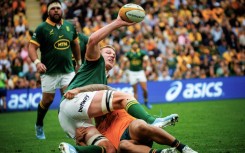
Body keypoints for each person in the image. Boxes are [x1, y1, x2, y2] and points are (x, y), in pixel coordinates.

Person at [58, 14, 178, 153]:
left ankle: (74, 150)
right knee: (122, 97)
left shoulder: (103, 77)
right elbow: (92, 40)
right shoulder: (95, 62)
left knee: (109, 149)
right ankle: (152, 121)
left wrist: (79, 140)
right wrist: (118, 23)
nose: (112, 55)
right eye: (108, 52)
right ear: (98, 54)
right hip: (72, 102)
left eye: (114, 54)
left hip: (72, 117)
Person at [28, 0, 81, 139]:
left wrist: (79, 62)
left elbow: (75, 44)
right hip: (49, 72)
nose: (56, 10)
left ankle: (70, 129)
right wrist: (37, 62)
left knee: (69, 99)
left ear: (62, 10)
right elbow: (31, 47)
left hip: (67, 71)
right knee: (47, 101)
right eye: (53, 9)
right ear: (48, 11)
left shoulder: (69, 26)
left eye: (58, 8)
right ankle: (39, 125)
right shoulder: (42, 28)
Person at [59, 109, 197, 153]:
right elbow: (101, 151)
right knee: (123, 145)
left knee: (140, 126)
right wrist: (78, 141)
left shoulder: (114, 106)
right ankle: (162, 152)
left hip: (133, 129)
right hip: (130, 145)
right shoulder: (97, 132)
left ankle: (182, 147)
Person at [124, 41, 152, 109]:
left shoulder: (142, 52)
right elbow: (125, 62)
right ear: (132, 46)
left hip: (140, 72)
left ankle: (146, 101)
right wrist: (125, 70)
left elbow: (147, 61)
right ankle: (137, 106)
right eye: (134, 44)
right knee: (135, 91)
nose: (135, 46)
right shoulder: (128, 53)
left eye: (136, 44)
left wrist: (148, 68)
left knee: (145, 89)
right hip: (132, 73)